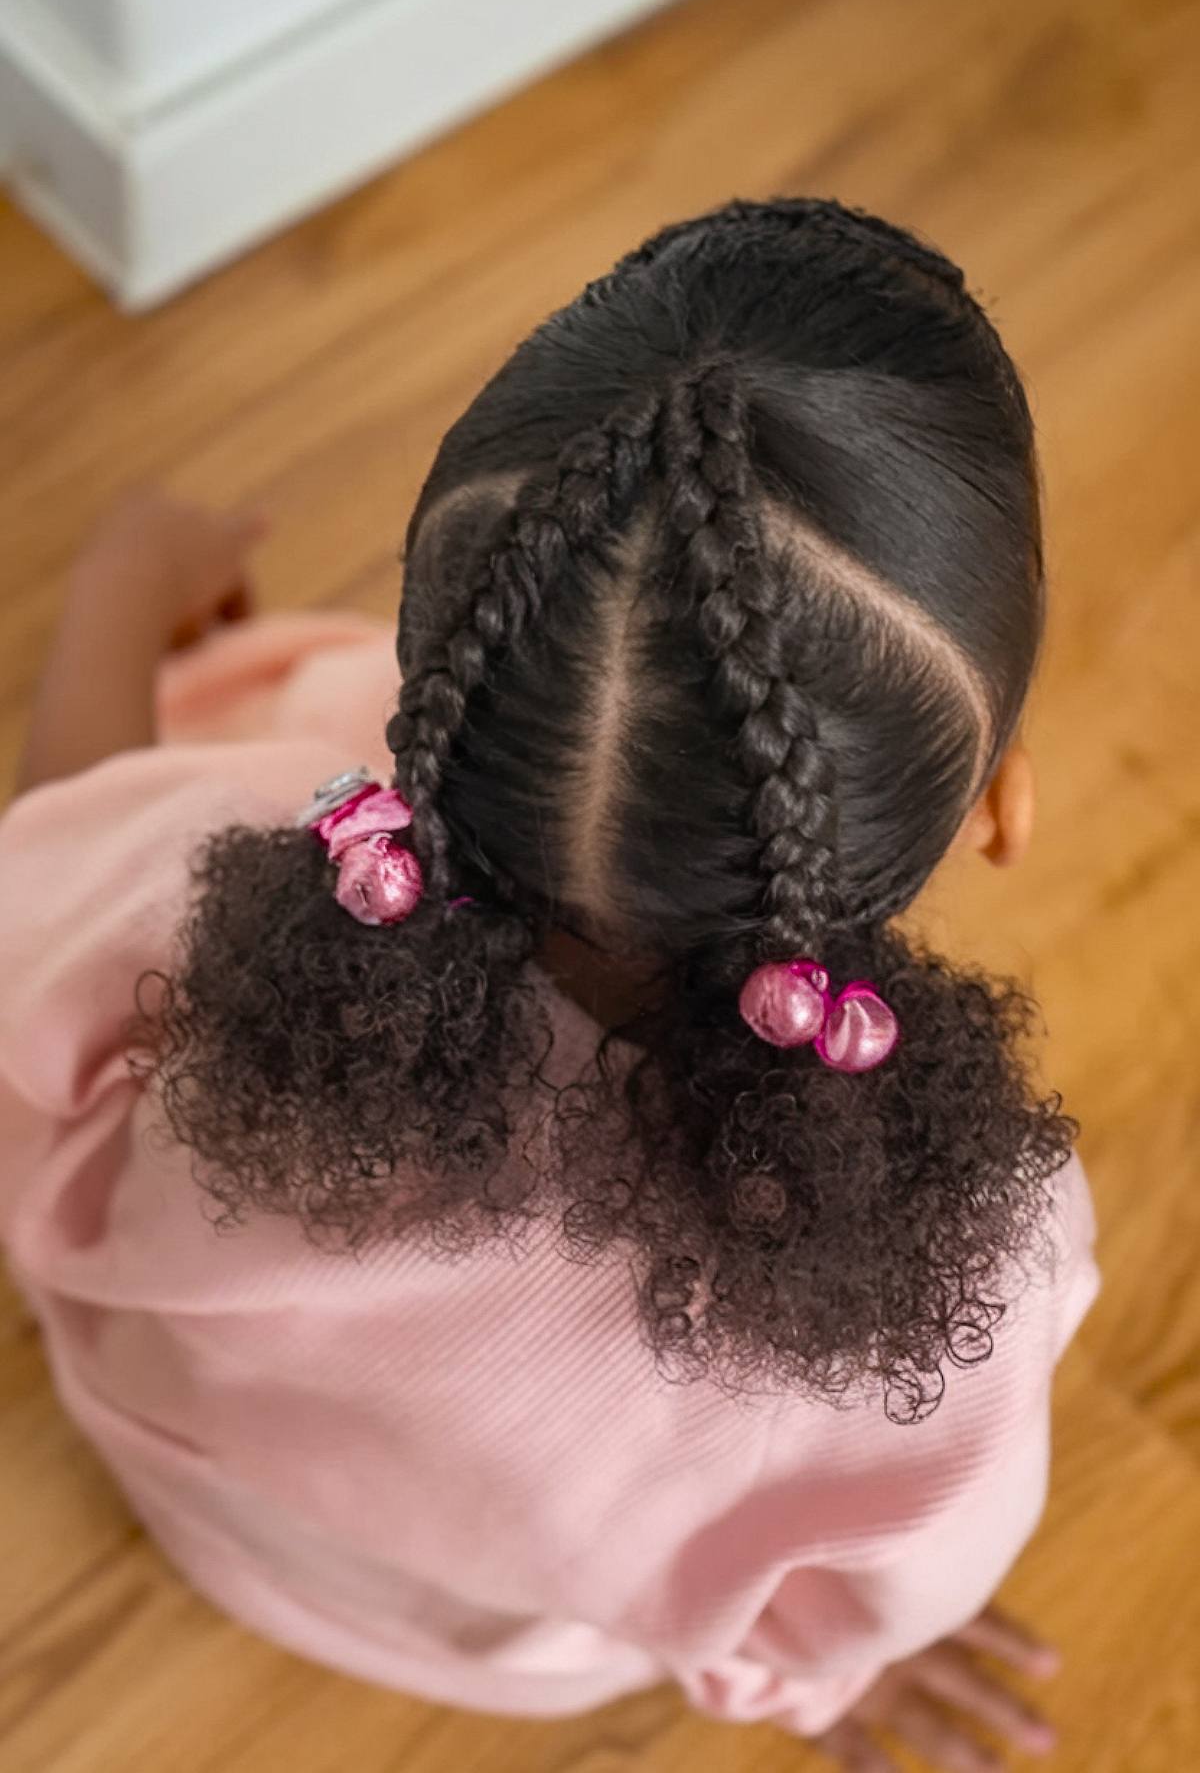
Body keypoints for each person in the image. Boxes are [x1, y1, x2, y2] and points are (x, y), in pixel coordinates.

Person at [0, 198, 1099, 1773]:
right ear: (999, 811)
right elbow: (882, 1595)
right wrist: (832, 1684)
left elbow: (37, 865)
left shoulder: (175, 891)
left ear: (438, 669)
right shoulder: (968, 1291)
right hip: (506, 1643)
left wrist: (114, 583)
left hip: (195, 1486)